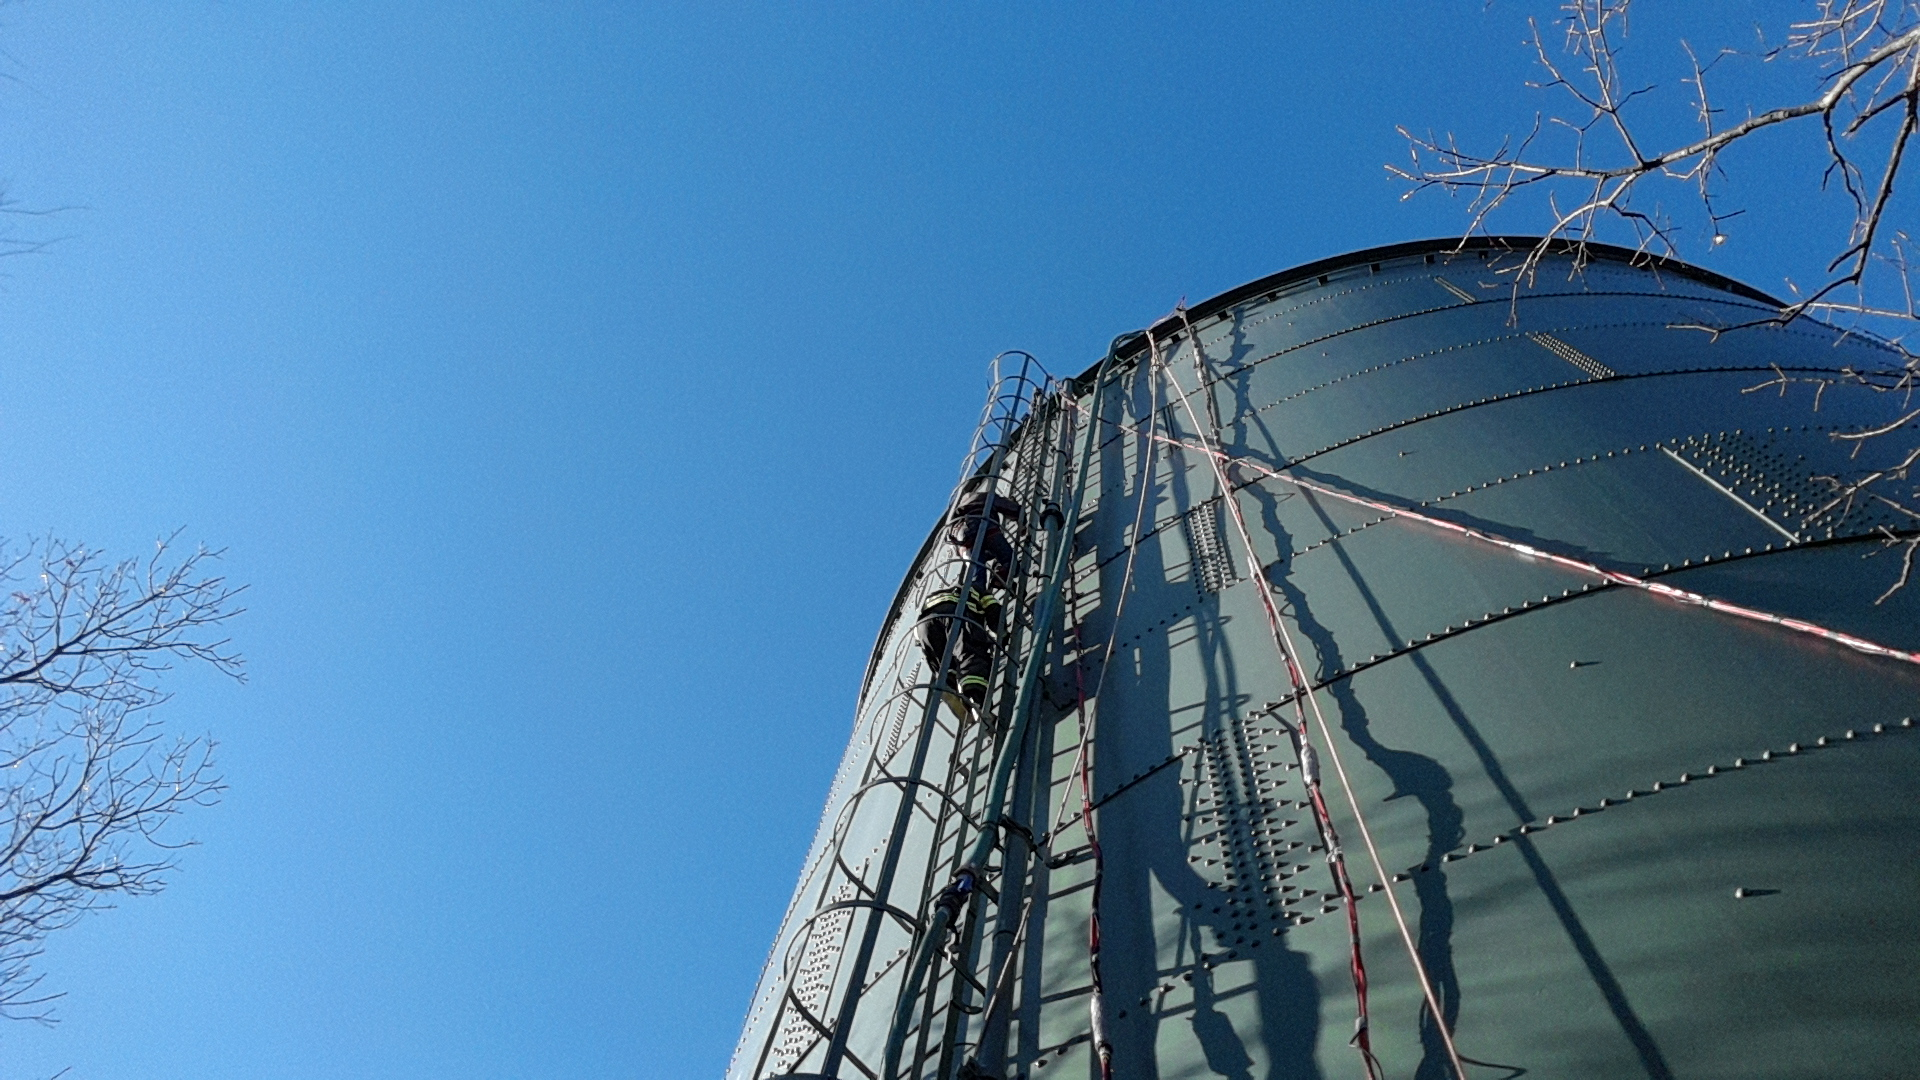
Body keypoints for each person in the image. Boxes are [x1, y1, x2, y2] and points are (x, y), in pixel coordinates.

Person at [916, 479, 1025, 722]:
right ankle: (975, 697)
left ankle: (950, 688)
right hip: (983, 526)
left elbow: (959, 546)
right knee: (971, 647)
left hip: (924, 625)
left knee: (944, 661)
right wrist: (1003, 635)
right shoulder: (980, 497)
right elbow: (994, 612)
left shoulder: (953, 517)